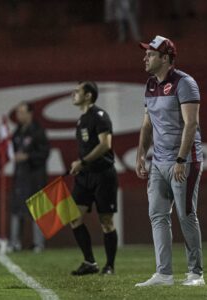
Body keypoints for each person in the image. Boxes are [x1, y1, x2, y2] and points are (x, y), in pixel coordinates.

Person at [135, 35, 204, 287]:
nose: (145, 57)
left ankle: (196, 273)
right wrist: (141, 153)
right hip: (159, 161)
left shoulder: (184, 83)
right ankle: (164, 274)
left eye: (151, 54)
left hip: (183, 161)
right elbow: (147, 123)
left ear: (165, 58)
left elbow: (191, 123)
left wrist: (180, 158)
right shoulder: (150, 84)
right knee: (157, 215)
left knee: (186, 215)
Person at [69, 81, 119, 276]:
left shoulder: (100, 116)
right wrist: (81, 165)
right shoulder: (82, 120)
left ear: (88, 95)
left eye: (77, 91)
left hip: (103, 175)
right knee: (73, 217)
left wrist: (82, 161)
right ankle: (90, 262)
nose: (73, 94)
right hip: (84, 176)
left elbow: (105, 145)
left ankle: (110, 266)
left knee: (106, 221)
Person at [9, 102, 50, 253]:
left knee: (37, 210)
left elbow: (44, 153)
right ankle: (15, 242)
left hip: (35, 177)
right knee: (17, 208)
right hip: (20, 176)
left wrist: (27, 156)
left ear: (30, 113)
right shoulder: (18, 131)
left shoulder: (38, 131)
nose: (19, 115)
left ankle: (39, 243)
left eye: (21, 112)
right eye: (17, 112)